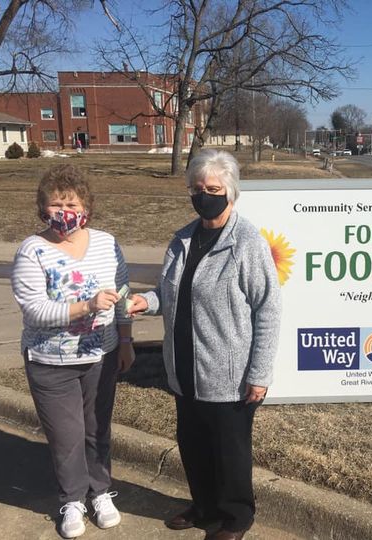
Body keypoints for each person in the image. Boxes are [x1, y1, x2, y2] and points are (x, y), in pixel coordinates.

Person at [128, 149, 281, 540]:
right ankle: (204, 506)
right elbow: (170, 292)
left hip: (228, 375)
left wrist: (259, 374)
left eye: (212, 188)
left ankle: (235, 517)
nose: (204, 195)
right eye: (197, 188)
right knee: (193, 446)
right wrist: (148, 302)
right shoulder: (182, 239)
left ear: (230, 191)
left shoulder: (247, 242)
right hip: (184, 370)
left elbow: (268, 310)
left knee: (229, 453)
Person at [11, 164, 134, 539]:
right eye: (56, 204)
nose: (65, 212)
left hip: (102, 356)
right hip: (51, 361)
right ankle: (72, 499)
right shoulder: (33, 250)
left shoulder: (107, 242)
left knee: (98, 432)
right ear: (42, 209)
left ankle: (101, 492)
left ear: (87, 207)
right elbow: (34, 309)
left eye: (72, 203)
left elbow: (124, 292)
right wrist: (86, 306)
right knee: (67, 438)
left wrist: (126, 338)